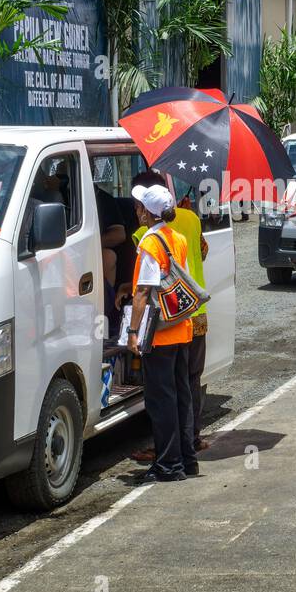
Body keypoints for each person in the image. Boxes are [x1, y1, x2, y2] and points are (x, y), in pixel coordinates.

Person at [127, 170, 212, 460]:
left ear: (146, 212)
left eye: (139, 206)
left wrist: (132, 332)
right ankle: (187, 455)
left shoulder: (147, 240)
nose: (136, 211)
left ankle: (167, 463)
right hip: (187, 321)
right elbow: (201, 252)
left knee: (161, 399)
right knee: (185, 391)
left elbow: (141, 291)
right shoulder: (182, 231)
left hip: (161, 330)